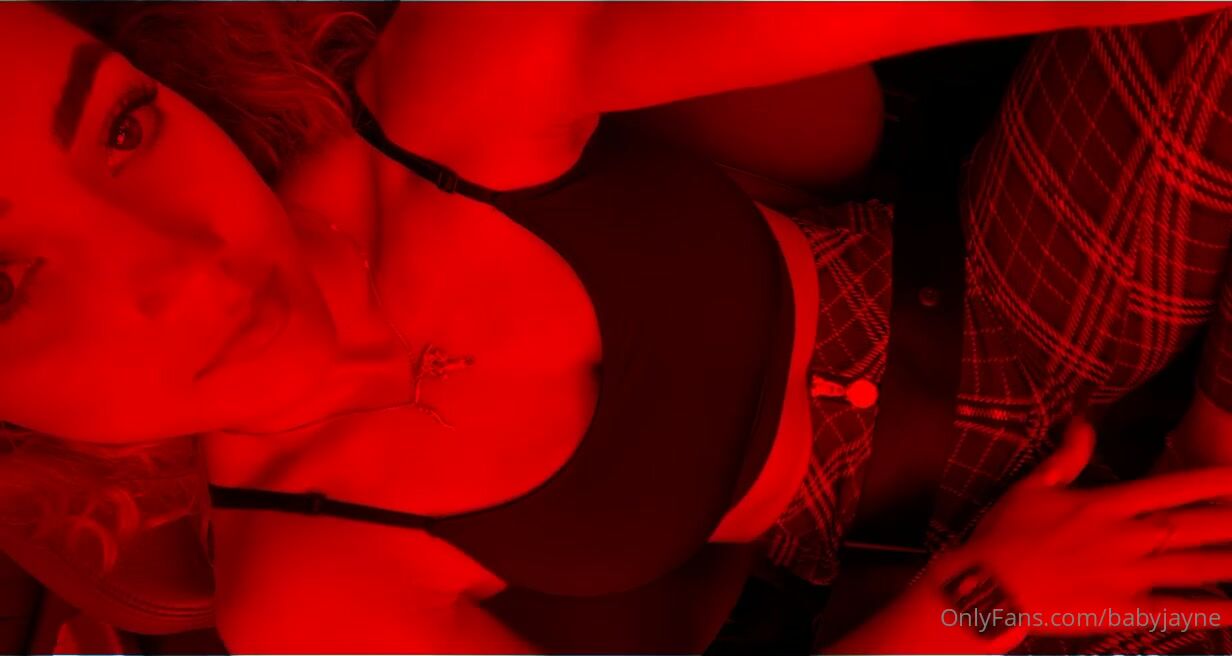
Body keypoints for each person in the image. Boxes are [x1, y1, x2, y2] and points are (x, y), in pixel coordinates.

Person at [2, 3, 1231, 653]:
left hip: (1009, 292)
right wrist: (990, 599)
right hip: (946, 579)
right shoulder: (300, 594)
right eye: (9, 284)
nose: (182, 265)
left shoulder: (441, 97)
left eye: (122, 127)